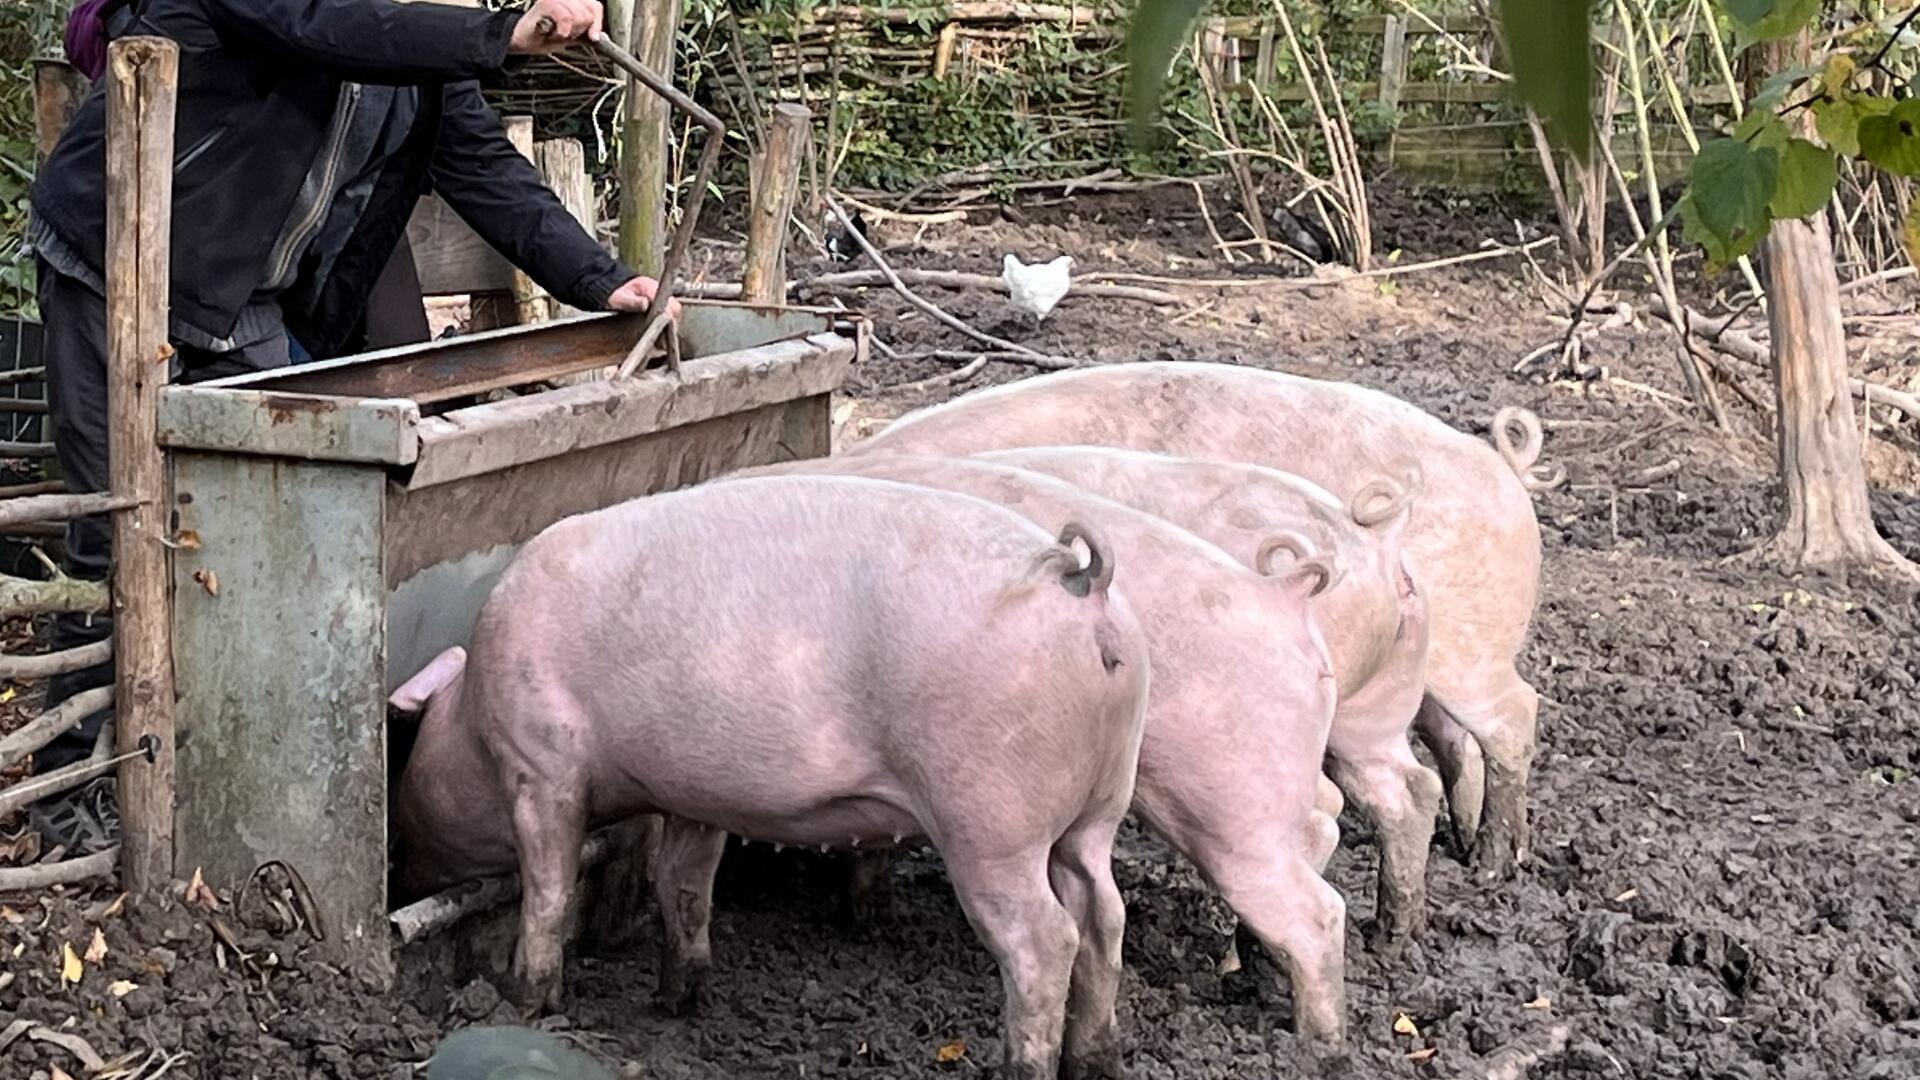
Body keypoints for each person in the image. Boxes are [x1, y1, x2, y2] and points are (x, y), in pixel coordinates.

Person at [27, 0, 675, 854]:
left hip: (243, 303)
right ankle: (68, 789)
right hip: (114, 267)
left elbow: (484, 167)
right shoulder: (332, 13)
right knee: (116, 529)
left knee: (270, 534)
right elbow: (323, 27)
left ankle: (212, 762)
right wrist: (501, 35)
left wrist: (601, 278)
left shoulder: (416, 34)